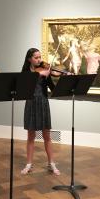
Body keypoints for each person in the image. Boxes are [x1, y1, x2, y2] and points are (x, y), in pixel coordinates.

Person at [21, 48, 61, 176]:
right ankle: (29, 164)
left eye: (40, 57)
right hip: (31, 103)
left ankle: (51, 163)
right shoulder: (26, 72)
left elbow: (53, 89)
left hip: (43, 103)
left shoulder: (46, 71)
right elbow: (25, 84)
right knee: (31, 137)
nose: (39, 60)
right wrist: (39, 75)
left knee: (47, 136)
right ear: (29, 59)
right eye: (36, 57)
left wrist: (61, 78)